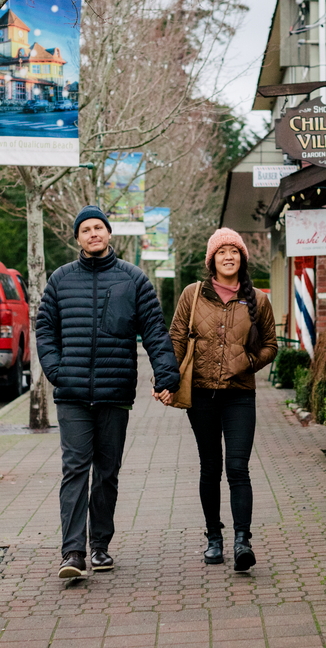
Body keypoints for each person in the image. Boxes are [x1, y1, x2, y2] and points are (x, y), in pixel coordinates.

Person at [36, 205, 179, 578]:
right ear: (78, 238)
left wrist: (167, 377)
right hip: (73, 394)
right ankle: (72, 553)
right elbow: (45, 330)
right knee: (75, 470)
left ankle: (99, 546)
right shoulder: (60, 280)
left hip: (115, 393)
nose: (93, 234)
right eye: (85, 229)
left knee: (108, 472)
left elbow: (155, 332)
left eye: (98, 227)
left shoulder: (134, 280)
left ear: (109, 233)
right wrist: (57, 371)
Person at [160, 228, 278, 571]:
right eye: (222, 251)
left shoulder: (258, 299)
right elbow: (176, 337)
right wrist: (166, 379)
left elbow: (270, 344)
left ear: (242, 258)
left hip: (240, 395)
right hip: (201, 395)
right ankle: (214, 537)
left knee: (237, 468)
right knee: (210, 467)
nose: (229, 256)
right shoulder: (192, 294)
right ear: (212, 259)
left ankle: (243, 540)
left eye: (235, 251)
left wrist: (247, 362)